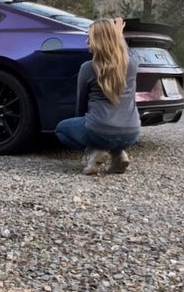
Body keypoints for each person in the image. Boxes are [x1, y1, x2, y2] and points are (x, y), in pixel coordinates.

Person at [55, 17, 140, 175]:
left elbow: (81, 106)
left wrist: (86, 133)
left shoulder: (88, 68)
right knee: (108, 134)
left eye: (90, 37)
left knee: (61, 129)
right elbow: (126, 53)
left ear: (99, 41)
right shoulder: (132, 64)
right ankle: (118, 153)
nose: (87, 40)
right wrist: (119, 35)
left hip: (99, 131)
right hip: (131, 133)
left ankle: (95, 151)